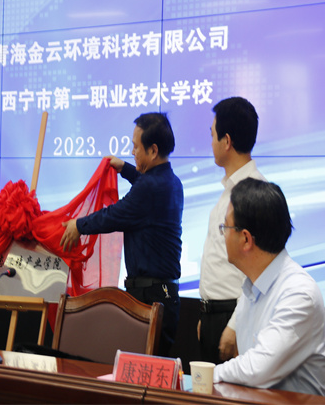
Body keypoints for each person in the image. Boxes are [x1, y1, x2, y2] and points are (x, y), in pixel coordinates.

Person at [60, 112, 183, 357]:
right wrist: (125, 168)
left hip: (151, 297)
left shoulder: (150, 188)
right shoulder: (171, 181)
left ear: (153, 150)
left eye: (136, 147)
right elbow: (144, 183)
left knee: (141, 370)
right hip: (162, 295)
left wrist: (78, 225)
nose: (132, 151)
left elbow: (115, 215)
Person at [214, 178, 325, 395]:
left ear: (246, 239)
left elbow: (257, 369)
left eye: (225, 227)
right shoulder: (251, 287)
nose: (224, 235)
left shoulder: (299, 293)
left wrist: (208, 375)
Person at [197, 96, 266, 364]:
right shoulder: (228, 189)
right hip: (215, 315)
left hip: (235, 316)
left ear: (226, 141)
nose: (211, 142)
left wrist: (234, 325)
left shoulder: (253, 193)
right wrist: (206, 314)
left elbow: (259, 272)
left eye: (212, 134)